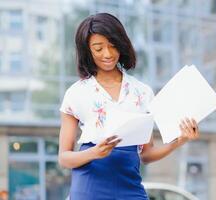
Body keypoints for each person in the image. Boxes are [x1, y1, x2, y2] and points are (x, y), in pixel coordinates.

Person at [59, 13, 200, 200]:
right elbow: (64, 158)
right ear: (88, 51)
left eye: (112, 46)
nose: (107, 54)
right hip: (89, 187)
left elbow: (146, 155)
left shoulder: (142, 92)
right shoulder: (76, 93)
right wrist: (94, 152)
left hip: (130, 186)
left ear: (122, 44)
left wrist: (179, 141)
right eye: (98, 48)